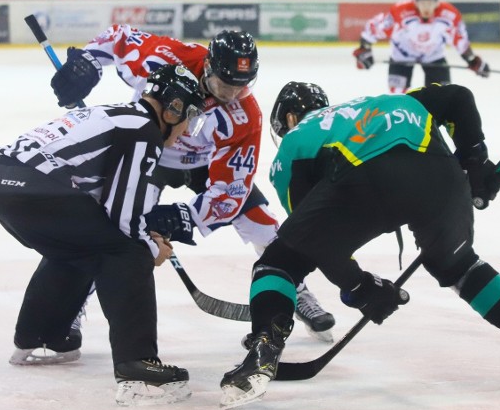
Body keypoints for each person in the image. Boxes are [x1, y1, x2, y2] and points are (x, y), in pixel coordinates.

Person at [219, 81, 500, 408]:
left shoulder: (294, 144)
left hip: (365, 181)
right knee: (456, 264)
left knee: (280, 262)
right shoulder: (383, 102)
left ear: (290, 119)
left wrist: (359, 287)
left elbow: (316, 243)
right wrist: (474, 163)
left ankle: (265, 348)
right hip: (439, 174)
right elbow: (459, 97)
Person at [50, 25, 336, 341]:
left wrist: (186, 217)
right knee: (111, 229)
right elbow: (120, 37)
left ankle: (294, 285)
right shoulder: (168, 58)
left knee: (262, 224)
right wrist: (87, 61)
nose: (230, 94)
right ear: (208, 66)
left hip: (201, 165)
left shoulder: (244, 115)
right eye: (223, 84)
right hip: (147, 151)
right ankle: (72, 304)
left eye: (240, 86)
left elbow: (232, 189)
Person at [0, 65, 207, 406]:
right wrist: (152, 248)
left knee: (80, 248)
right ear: (173, 108)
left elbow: (105, 212)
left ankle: (42, 335)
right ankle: (137, 368)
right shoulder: (142, 130)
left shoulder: (120, 115)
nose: (188, 129)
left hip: (2, 185)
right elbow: (124, 223)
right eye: (190, 116)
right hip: (38, 190)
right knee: (127, 252)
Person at [353, 0, 490, 93]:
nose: (426, 7)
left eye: (430, 2)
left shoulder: (450, 15)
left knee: (442, 96)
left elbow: (461, 41)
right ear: (415, 2)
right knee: (398, 98)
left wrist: (473, 60)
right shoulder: (401, 12)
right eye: (423, 2)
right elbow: (374, 28)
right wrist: (364, 49)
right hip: (402, 56)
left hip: (433, 56)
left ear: (437, 1)